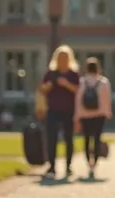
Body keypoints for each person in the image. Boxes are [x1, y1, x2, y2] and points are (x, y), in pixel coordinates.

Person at [39, 44, 80, 179]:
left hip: (69, 110)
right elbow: (42, 89)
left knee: (69, 139)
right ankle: (52, 167)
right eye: (60, 58)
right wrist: (49, 85)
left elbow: (78, 90)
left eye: (65, 58)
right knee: (51, 139)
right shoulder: (51, 73)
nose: (63, 60)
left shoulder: (73, 74)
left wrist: (66, 84)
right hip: (53, 110)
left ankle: (68, 166)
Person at [73, 56, 112, 178]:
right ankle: (94, 163)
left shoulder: (81, 82)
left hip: (85, 115)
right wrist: (107, 113)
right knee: (96, 139)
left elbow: (78, 100)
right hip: (99, 115)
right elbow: (106, 99)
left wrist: (77, 116)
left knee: (86, 139)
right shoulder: (104, 82)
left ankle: (88, 163)